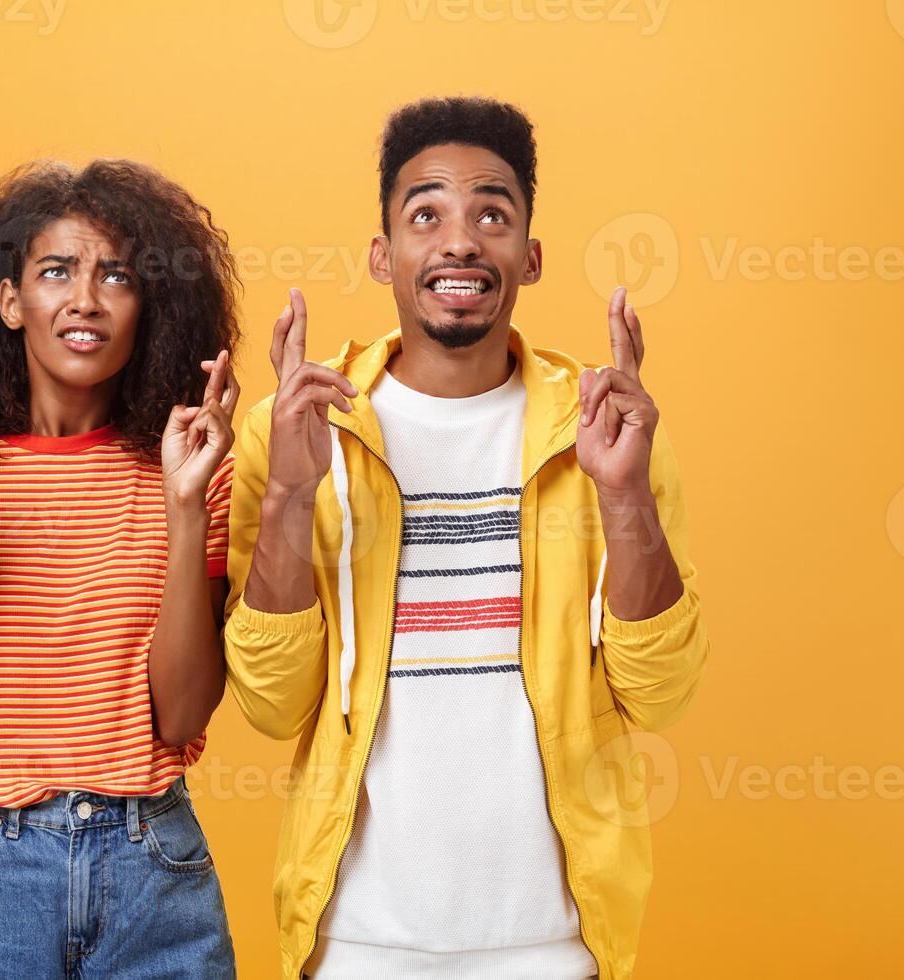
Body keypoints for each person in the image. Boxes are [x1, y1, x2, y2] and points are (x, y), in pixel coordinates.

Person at [223, 97, 708, 979]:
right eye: (426, 215)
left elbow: (663, 694)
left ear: (528, 255)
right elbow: (272, 704)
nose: (459, 240)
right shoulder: (293, 429)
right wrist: (293, 494)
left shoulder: (603, 430)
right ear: (383, 256)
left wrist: (626, 494)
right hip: (357, 945)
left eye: (492, 212)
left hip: (557, 947)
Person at [0, 159, 242, 977]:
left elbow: (182, 717)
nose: (86, 298)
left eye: (116, 275)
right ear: (11, 302)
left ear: (148, 306)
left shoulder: (192, 467)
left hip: (154, 869)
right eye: (56, 272)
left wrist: (185, 510)